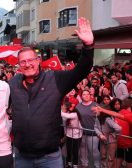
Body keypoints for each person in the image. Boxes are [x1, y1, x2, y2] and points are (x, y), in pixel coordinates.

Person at [8, 17, 94, 168]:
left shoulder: (55, 79)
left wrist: (88, 46)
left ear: (38, 61)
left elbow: (81, 71)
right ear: (19, 65)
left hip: (49, 158)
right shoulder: (13, 83)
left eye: (31, 60)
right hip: (22, 157)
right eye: (23, 62)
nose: (28, 64)